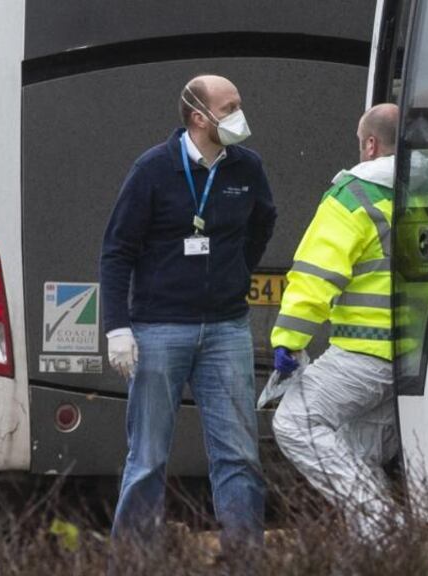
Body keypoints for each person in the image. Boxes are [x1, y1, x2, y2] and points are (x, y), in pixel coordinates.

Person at [99, 74, 276, 548]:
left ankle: (245, 560)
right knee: (148, 458)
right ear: (199, 117)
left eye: (239, 104)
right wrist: (117, 328)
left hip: (226, 329)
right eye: (229, 107)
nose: (240, 115)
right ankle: (134, 561)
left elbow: (263, 222)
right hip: (159, 329)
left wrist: (235, 272)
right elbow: (117, 251)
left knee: (239, 455)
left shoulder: (247, 168)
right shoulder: (153, 169)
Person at [270, 103, 400, 539]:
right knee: (356, 449)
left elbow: (316, 274)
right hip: (417, 357)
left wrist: (289, 340)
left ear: (370, 144)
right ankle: (381, 548)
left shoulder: (353, 195)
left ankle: (384, 525)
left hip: (364, 353)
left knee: (294, 422)